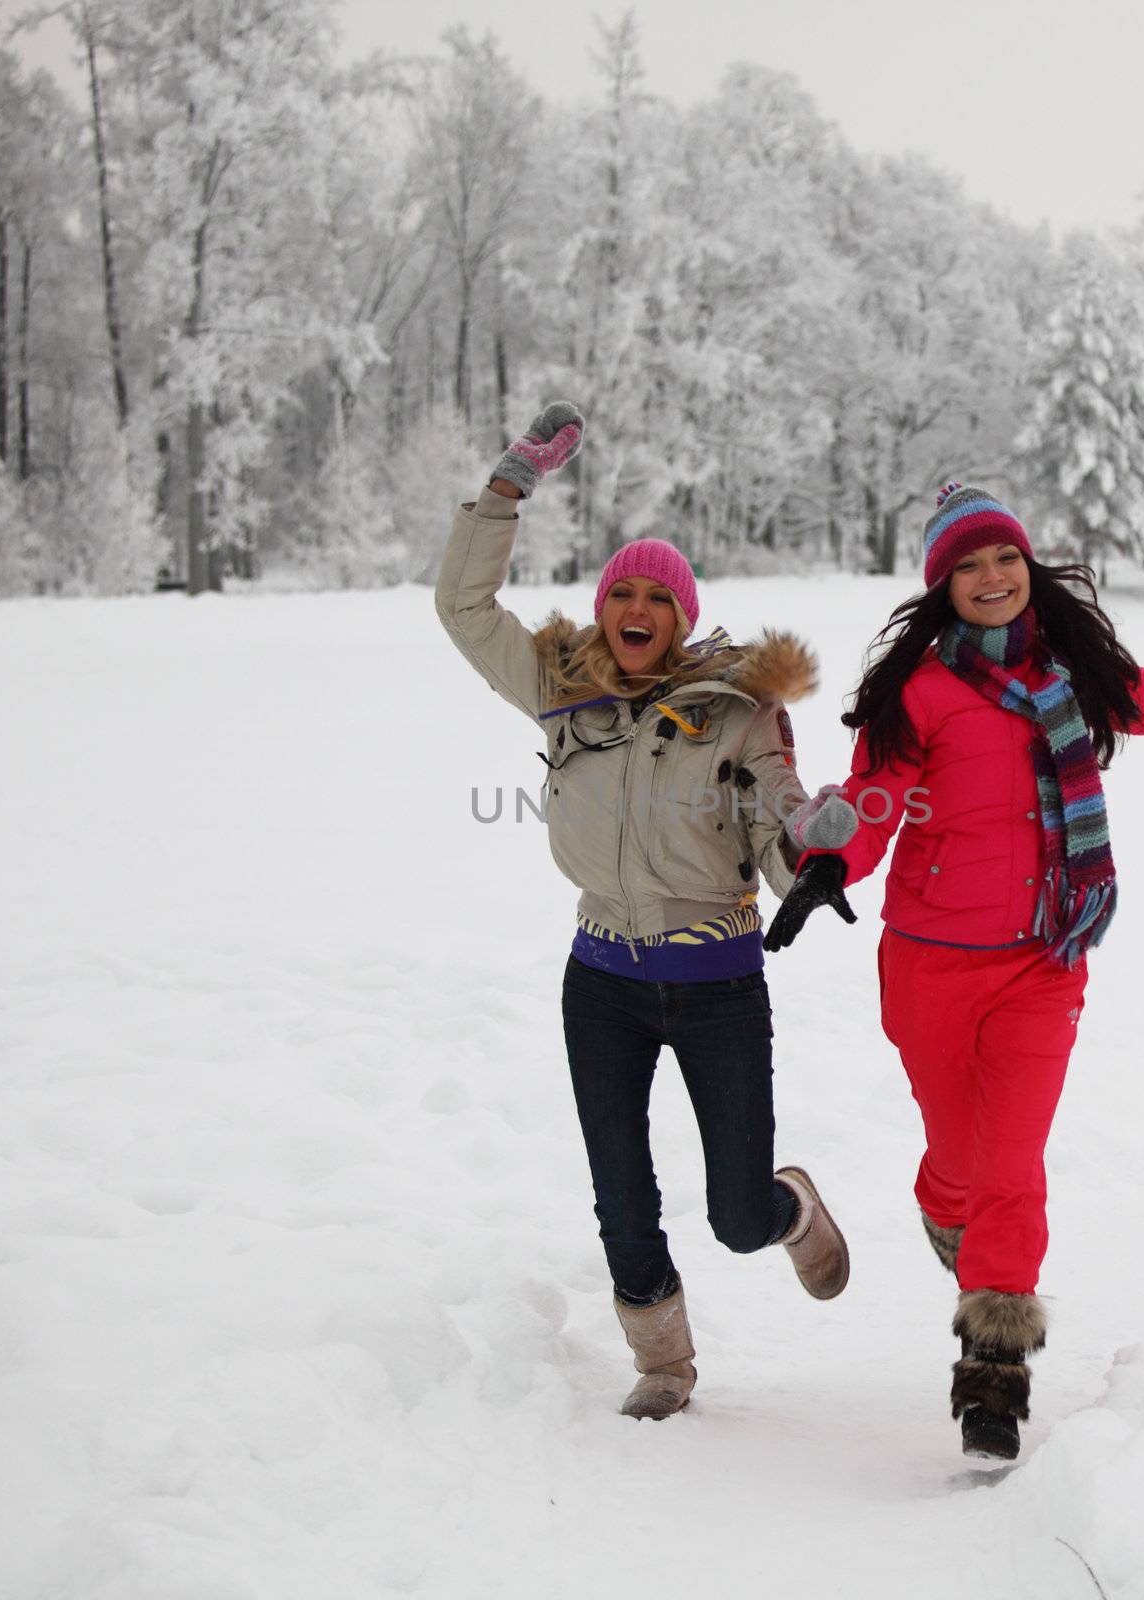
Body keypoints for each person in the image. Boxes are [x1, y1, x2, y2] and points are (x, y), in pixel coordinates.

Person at [764, 482, 1144, 1460]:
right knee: (961, 1167)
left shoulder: (1073, 674)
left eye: (1002, 557)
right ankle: (940, 1207)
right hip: (927, 965)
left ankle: (992, 1373)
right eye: (968, 565)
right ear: (942, 586)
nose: (992, 577)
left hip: (1043, 961)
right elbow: (876, 796)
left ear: (1027, 563)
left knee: (1010, 1164)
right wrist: (830, 855)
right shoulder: (919, 692)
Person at [436, 402, 854, 1422]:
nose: (632, 607)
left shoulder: (736, 710)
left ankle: (787, 1206)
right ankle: (662, 1363)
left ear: (679, 616)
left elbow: (775, 812)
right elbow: (464, 606)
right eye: (617, 592)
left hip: (716, 986)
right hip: (604, 984)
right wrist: (504, 492)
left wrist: (810, 843)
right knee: (621, 1196)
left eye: (652, 597)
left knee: (736, 1215)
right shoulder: (562, 688)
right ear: (601, 609)